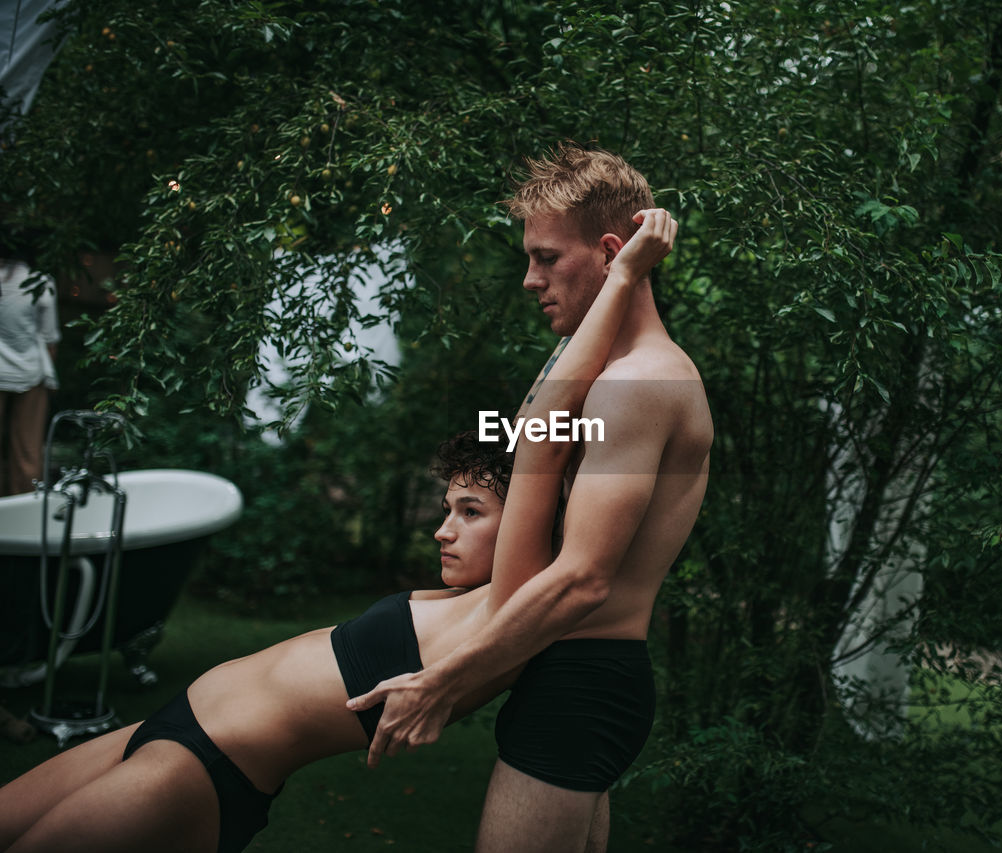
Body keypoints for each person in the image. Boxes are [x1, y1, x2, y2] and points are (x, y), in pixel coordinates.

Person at [0, 208, 676, 853]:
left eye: (473, 512)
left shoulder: (514, 602)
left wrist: (620, 278)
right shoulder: (474, 601)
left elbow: (543, 423)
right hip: (170, 723)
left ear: (537, 519)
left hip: (202, 766)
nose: (445, 530)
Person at [347, 144, 714, 852]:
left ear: (611, 251)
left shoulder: (639, 386)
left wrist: (442, 681)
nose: (528, 279)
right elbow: (526, 437)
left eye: (546, 258)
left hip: (583, 684)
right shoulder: (602, 372)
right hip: (568, 677)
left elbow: (583, 578)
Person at [0, 256, 60, 496]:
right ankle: (23, 509)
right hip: (31, 373)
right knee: (28, 451)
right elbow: (49, 339)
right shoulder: (41, 282)